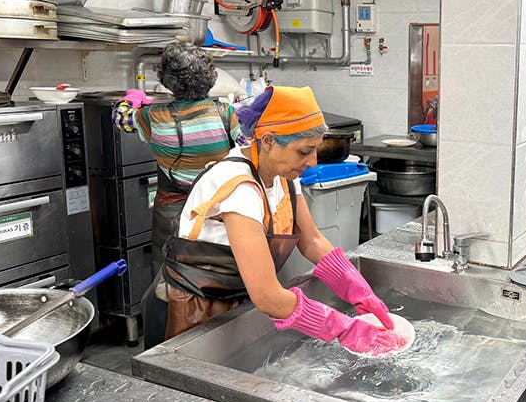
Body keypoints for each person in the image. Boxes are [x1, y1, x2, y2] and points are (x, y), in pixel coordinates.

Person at [160, 85, 405, 355]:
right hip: (201, 311)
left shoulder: (284, 176)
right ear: (267, 141)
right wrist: (343, 329)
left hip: (241, 300)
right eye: (304, 151)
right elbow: (267, 296)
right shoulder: (238, 188)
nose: (312, 162)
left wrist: (358, 289)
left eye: (315, 150)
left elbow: (311, 240)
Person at [113, 42, 242, 348]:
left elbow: (119, 118)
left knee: (169, 278)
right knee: (221, 274)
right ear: (209, 78)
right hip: (218, 211)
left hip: (171, 212)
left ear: (166, 80)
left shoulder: (151, 117)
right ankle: (223, 336)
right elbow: (247, 147)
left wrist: (131, 99)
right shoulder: (226, 115)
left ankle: (170, 341)